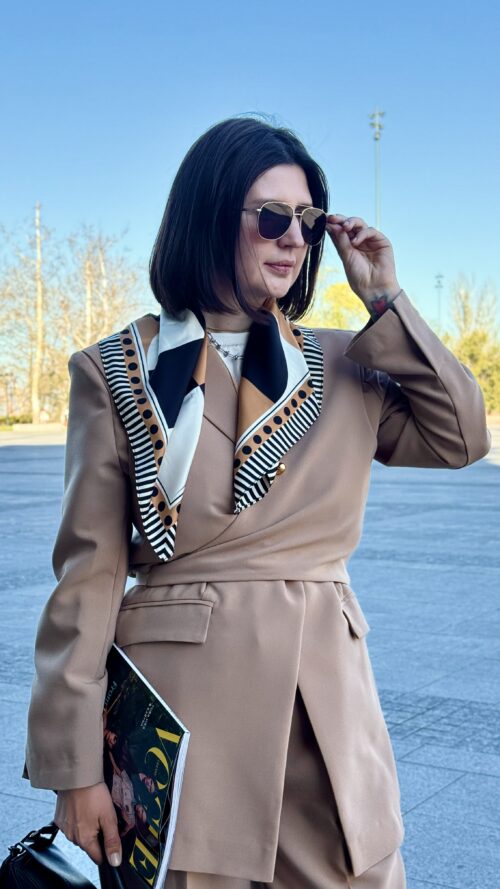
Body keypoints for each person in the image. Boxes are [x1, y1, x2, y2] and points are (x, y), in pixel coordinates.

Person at [24, 115, 490, 889]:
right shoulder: (119, 368)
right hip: (184, 724)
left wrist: (386, 298)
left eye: (308, 219)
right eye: (273, 217)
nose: (294, 239)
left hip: (328, 713)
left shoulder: (346, 361)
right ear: (210, 215)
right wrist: (75, 767)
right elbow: (88, 575)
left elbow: (461, 435)